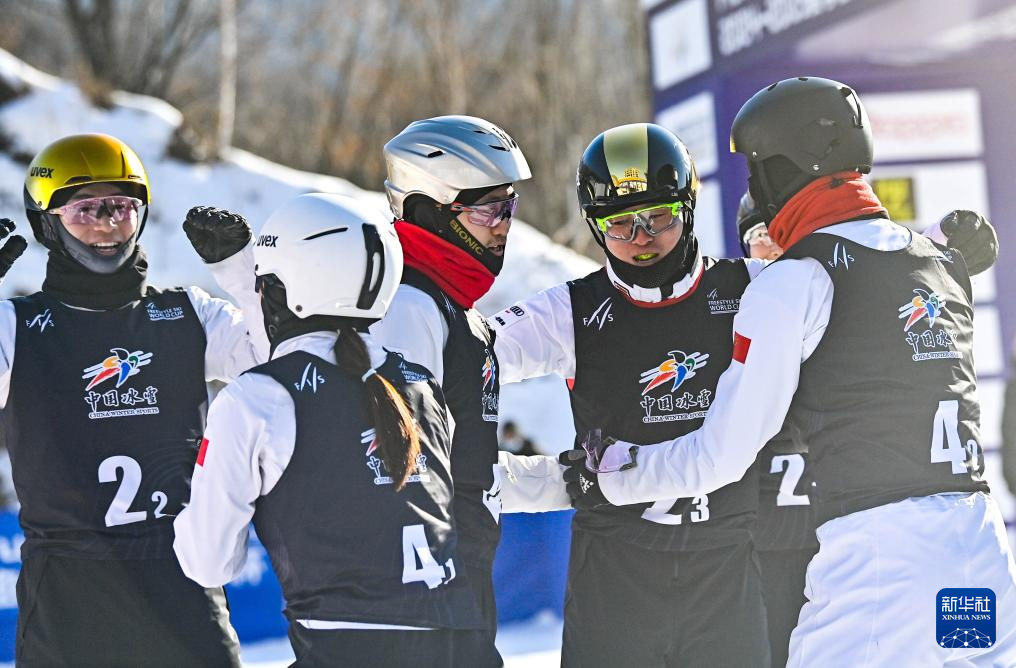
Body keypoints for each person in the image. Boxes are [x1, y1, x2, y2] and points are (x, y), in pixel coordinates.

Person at [491, 122, 999, 667]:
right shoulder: (569, 310)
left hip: (729, 568)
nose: (641, 237)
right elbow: (469, 361)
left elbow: (858, 277)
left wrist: (947, 255)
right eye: (620, 225)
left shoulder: (758, 285)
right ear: (595, 228)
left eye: (657, 217)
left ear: (688, 208)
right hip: (617, 572)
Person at [174, 193, 495, 667]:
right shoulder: (422, 385)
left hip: (350, 648)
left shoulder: (256, 399)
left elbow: (208, 561)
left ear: (288, 288)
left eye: (264, 283)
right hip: (464, 642)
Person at [1, 133, 266, 666]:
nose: (106, 224)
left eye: (122, 208)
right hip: (66, 591)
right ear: (46, 223)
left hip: (181, 577)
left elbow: (276, 362)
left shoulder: (189, 313)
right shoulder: (16, 325)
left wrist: (244, 274)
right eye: (85, 210)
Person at [372, 115, 547, 654]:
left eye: (509, 206)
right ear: (428, 211)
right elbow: (393, 468)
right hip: (425, 597)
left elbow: (468, 469)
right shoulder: (407, 307)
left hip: (460, 578)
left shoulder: (458, 314)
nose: (504, 225)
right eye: (490, 209)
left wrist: (566, 478)